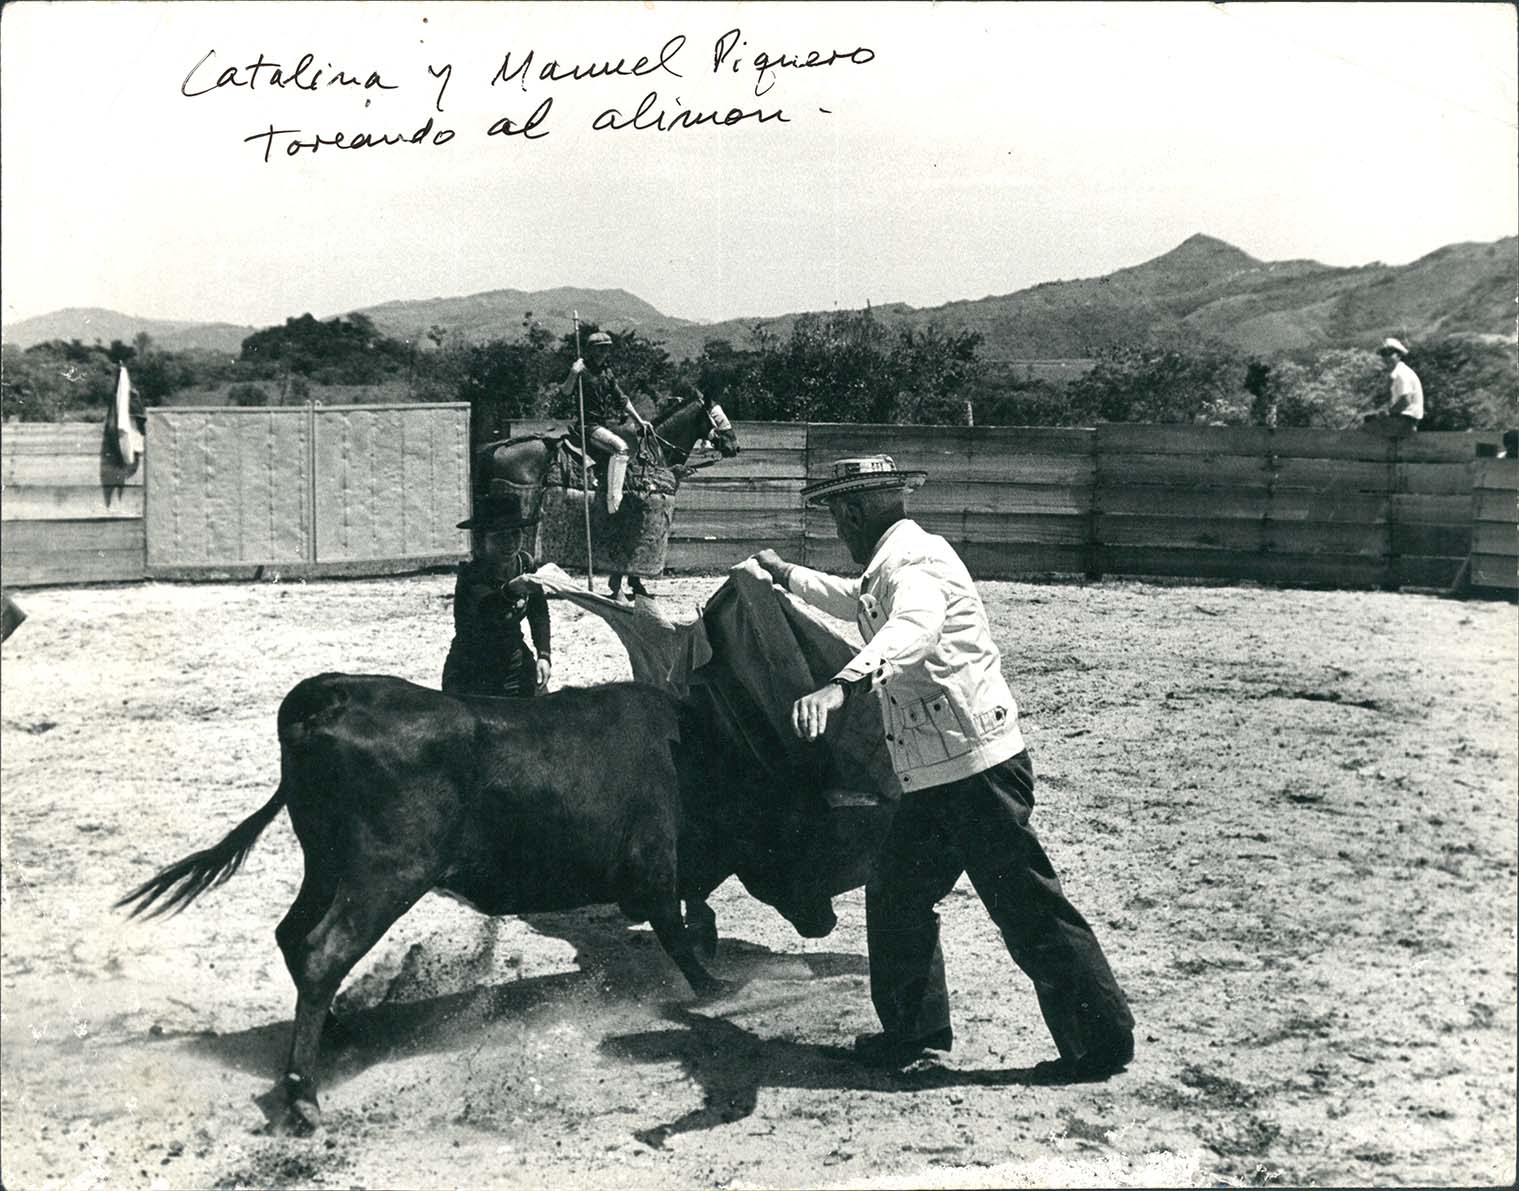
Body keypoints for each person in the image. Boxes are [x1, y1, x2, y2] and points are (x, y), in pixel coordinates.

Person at [751, 455, 1135, 1081]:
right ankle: (911, 1033)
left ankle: (1101, 1042)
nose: (837, 530)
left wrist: (840, 687)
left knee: (1025, 906)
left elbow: (912, 628)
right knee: (898, 896)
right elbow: (860, 603)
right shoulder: (893, 563)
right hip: (938, 772)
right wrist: (786, 574)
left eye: (837, 518)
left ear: (852, 512)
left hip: (976, 773)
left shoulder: (916, 566)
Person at [441, 496, 551, 699]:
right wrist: (511, 589)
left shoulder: (525, 564)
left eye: (515, 534)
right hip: (473, 670)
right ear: (482, 540)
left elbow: (538, 611)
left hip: (514, 663)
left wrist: (544, 654)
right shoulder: (472, 575)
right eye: (500, 536)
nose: (509, 543)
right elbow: (487, 610)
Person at [561, 330, 652, 515]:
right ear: (590, 351)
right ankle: (614, 502)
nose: (603, 353)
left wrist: (639, 420)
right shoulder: (581, 370)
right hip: (587, 426)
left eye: (606, 349)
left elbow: (622, 399)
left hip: (601, 425)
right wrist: (573, 372)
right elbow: (565, 391)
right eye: (599, 349)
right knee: (621, 448)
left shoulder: (607, 373)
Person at [1375, 337, 1423, 433]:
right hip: (1403, 420)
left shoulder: (1402, 373)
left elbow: (1406, 400)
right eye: (1384, 354)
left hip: (1405, 421)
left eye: (1390, 354)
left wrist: (1388, 413)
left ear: (1399, 355)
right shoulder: (1397, 373)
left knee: (1366, 429)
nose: (1386, 358)